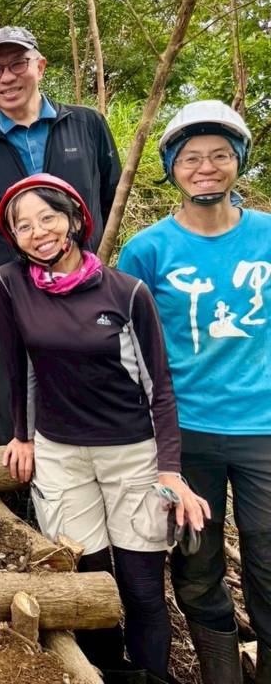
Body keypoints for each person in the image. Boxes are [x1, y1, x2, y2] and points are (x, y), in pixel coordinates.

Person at [0, 174, 207, 684]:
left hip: (132, 453)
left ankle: (152, 676)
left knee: (141, 586)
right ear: (14, 237)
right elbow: (18, 366)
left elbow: (159, 387)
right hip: (61, 454)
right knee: (90, 582)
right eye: (24, 226)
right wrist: (22, 435)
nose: (38, 232)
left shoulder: (127, 292)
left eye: (48, 217)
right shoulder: (10, 282)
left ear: (74, 219)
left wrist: (170, 470)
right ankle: (108, 674)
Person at [117, 101, 271, 683]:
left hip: (263, 430)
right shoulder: (147, 250)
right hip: (183, 436)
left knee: (269, 567)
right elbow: (128, 346)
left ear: (239, 162)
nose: (206, 168)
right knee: (197, 571)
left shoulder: (268, 236)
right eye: (191, 158)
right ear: (171, 169)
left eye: (220, 155)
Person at [0, 25, 120, 443]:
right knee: (4, 385)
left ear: (40, 67)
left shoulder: (86, 125)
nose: (7, 78)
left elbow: (109, 196)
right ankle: (15, 470)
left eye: (17, 64)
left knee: (83, 384)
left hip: (81, 284)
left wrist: (94, 263)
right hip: (4, 289)